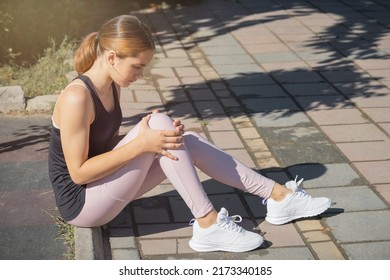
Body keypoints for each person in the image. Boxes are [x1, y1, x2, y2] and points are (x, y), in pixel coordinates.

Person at [48, 15, 331, 253]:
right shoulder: (77, 97)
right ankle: (208, 224)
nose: (141, 75)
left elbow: (105, 148)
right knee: (160, 126)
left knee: (183, 139)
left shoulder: (111, 86)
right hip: (82, 206)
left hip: (101, 190)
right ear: (112, 57)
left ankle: (279, 197)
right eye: (137, 66)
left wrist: (154, 140)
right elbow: (79, 174)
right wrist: (141, 145)